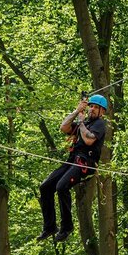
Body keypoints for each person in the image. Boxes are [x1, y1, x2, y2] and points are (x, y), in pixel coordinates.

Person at [38, 94, 109, 242]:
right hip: (72, 161)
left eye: (96, 108)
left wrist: (81, 122)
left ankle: (66, 227)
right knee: (45, 187)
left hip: (85, 163)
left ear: (102, 111)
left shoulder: (99, 125)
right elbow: (64, 127)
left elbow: (89, 140)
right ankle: (50, 226)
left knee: (62, 187)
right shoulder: (85, 122)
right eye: (91, 106)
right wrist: (77, 111)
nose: (93, 110)